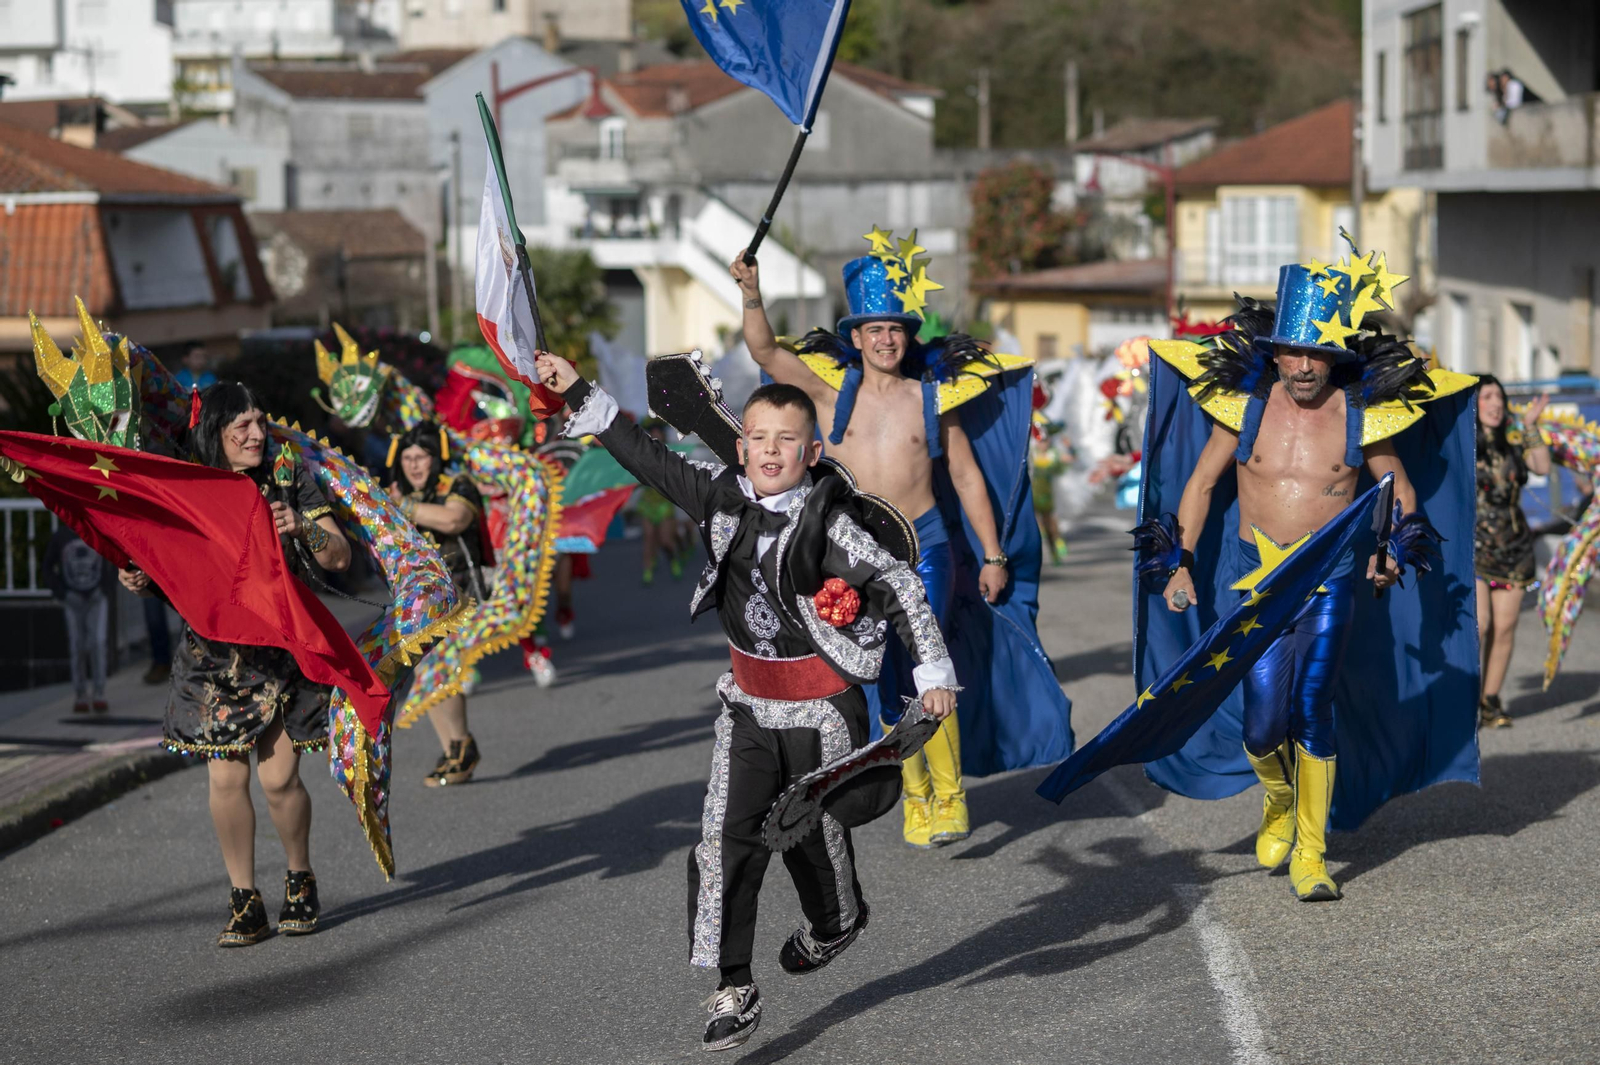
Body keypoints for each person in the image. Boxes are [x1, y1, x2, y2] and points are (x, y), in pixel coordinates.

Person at [534, 351, 957, 1053]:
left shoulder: (832, 525)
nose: (770, 450)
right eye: (759, 437)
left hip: (822, 715)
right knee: (723, 841)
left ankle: (836, 924)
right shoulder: (721, 496)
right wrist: (578, 388)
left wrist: (934, 668)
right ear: (741, 444)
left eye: (787, 440)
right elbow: (648, 459)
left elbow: (900, 586)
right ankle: (734, 985)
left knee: (811, 843)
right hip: (746, 707)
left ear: (811, 451)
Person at [1068, 244, 1479, 904]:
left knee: (1313, 707)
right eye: (1294, 351)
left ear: (1334, 358)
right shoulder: (1244, 407)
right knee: (1262, 723)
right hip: (1253, 585)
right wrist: (1180, 562)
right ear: (1277, 352)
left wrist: (1395, 547)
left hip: (1328, 582)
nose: (1304, 366)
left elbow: (1398, 485)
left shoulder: (1358, 414)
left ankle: (1312, 854)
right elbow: (1201, 484)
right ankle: (1281, 800)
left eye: (1317, 354)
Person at [733, 231, 1073, 850]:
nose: (886, 339)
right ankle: (916, 797)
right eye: (874, 329)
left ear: (907, 335)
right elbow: (761, 346)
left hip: (928, 548)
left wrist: (993, 554)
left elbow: (966, 477)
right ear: (856, 338)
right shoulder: (825, 395)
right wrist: (753, 295)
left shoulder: (930, 399)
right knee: (887, 679)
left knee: (927, 663)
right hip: (856, 560)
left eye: (896, 328)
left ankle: (950, 797)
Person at [120, 381, 351, 946]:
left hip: (276, 648)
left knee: (280, 780)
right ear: (215, 434)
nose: (254, 435)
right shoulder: (189, 484)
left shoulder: (288, 473)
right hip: (211, 656)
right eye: (240, 426)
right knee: (226, 777)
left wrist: (303, 527)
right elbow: (174, 568)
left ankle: (300, 877)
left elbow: (340, 556)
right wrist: (141, 578)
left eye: (259, 422)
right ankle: (244, 899)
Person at [388, 421, 490, 785]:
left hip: (460, 595)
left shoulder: (457, 485)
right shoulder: (398, 492)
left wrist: (402, 506)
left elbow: (454, 519)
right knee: (427, 669)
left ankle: (461, 746)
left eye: (422, 457)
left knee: (440, 667)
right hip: (417, 598)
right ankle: (453, 749)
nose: (415, 465)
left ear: (436, 459)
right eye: (408, 458)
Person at [1473, 376, 1550, 728]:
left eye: (1498, 397)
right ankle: (1464, 699)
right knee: (1481, 625)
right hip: (1474, 548)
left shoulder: (1513, 443)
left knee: (1505, 627)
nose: (1495, 403)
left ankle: (1490, 701)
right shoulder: (1462, 444)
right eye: (1486, 396)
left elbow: (1542, 466)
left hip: (1514, 545)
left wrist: (1531, 425)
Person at [44, 524, 114, 714]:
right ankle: (80, 693)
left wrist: (104, 589)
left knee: (98, 643)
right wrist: (63, 593)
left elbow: (114, 559)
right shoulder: (61, 536)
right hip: (73, 600)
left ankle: (99, 692)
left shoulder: (97, 530)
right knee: (77, 645)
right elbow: (47, 567)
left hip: (96, 599)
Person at [638, 419, 686, 584]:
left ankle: (673, 559)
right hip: (647, 502)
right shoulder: (642, 452)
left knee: (666, 540)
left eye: (658, 430)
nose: (656, 433)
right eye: (653, 430)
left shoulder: (671, 452)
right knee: (649, 537)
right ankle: (647, 571)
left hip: (664, 503)